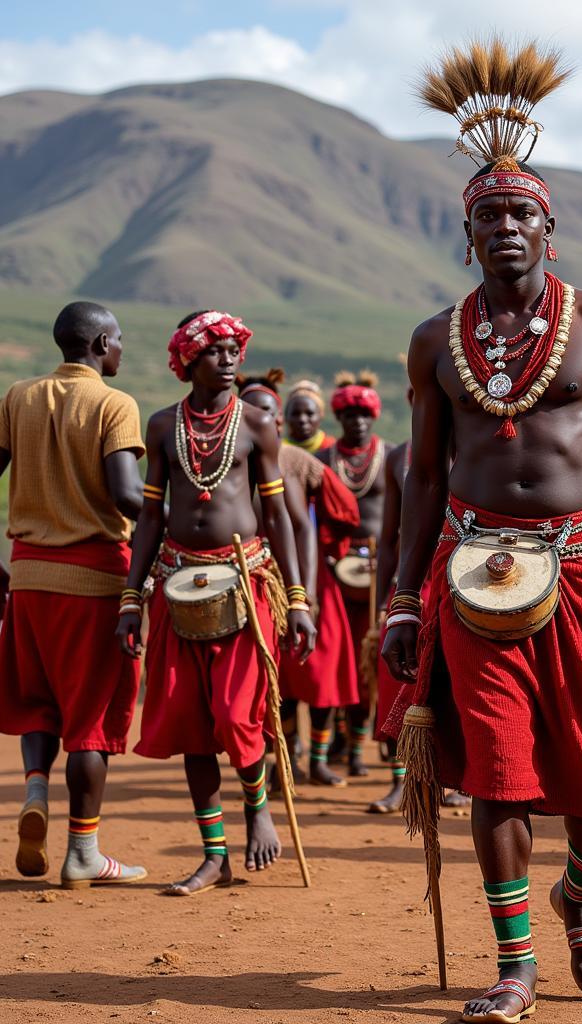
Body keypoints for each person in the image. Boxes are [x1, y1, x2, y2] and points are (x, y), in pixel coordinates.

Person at [382, 40, 582, 1022]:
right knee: (497, 774)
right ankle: (515, 963)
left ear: (548, 226)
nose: (504, 226)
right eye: (486, 215)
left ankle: (579, 899)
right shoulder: (436, 340)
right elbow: (423, 475)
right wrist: (399, 595)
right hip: (474, 577)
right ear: (465, 233)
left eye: (520, 212)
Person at [117, 310, 316, 896]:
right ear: (188, 360)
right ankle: (214, 855)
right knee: (189, 723)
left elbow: (279, 515)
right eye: (215, 351)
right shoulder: (161, 426)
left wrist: (298, 598)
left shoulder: (257, 425)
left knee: (235, 714)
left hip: (246, 581)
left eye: (235, 349)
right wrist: (132, 597)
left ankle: (258, 807)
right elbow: (151, 514)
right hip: (178, 581)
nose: (229, 359)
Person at [0, 301, 147, 888]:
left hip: (29, 577)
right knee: (91, 719)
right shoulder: (115, 404)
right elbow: (124, 495)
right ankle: (83, 850)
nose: (122, 351)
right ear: (101, 343)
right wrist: (178, 516)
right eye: (119, 341)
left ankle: (36, 787)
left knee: (38, 698)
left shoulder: (18, 397)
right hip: (95, 580)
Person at [238, 372, 361, 788]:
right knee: (277, 677)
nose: (264, 420)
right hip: (252, 580)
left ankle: (320, 759)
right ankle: (284, 762)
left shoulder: (295, 461)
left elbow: (334, 516)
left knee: (319, 674)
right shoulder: (229, 460)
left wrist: (307, 586)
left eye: (270, 413)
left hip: (304, 582)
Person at [321, 371, 393, 776]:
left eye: (364, 414)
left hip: (381, 573)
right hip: (338, 572)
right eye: (349, 414)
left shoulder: (393, 455)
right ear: (339, 418)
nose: (357, 422)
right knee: (345, 661)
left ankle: (377, 740)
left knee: (376, 660)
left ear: (374, 417)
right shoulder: (323, 461)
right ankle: (348, 746)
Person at [283, 380, 334, 453]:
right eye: (295, 414)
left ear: (321, 415)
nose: (302, 419)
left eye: (309, 413)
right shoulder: (276, 451)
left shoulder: (332, 450)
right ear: (286, 416)